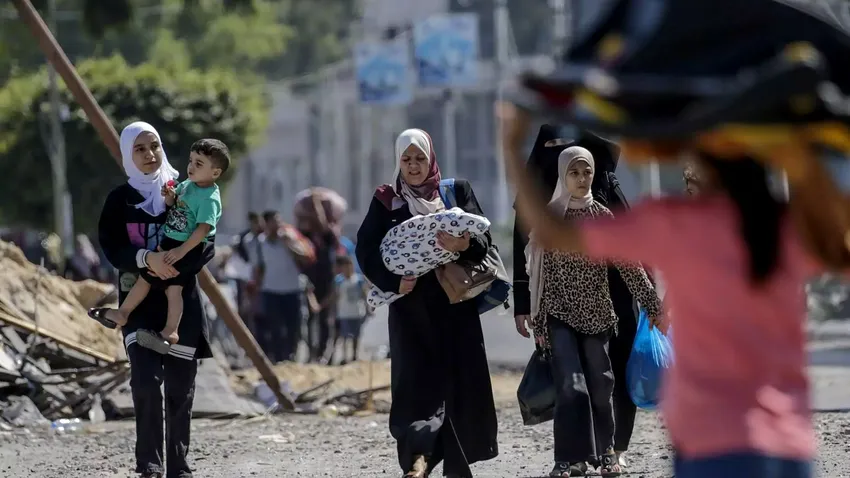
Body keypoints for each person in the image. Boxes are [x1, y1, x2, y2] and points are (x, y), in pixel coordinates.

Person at [502, 103, 815, 478]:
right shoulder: (788, 230)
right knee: (584, 384)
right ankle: (580, 454)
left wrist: (511, 148)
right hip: (786, 442)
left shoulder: (671, 222)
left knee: (602, 383)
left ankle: (608, 450)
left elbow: (553, 234)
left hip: (708, 440)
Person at [356, 128, 498, 478]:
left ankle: (455, 464)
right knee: (414, 386)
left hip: (455, 309)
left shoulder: (455, 192)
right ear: (398, 162)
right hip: (411, 310)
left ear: (431, 159)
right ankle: (417, 461)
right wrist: (394, 282)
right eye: (407, 159)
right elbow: (366, 250)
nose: (414, 165)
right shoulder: (387, 200)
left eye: (420, 158)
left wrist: (463, 245)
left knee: (457, 384)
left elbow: (484, 242)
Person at [523, 146, 662, 477]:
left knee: (601, 385)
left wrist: (653, 305)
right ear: (563, 175)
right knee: (570, 386)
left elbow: (629, 267)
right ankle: (567, 458)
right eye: (574, 172)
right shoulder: (550, 219)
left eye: (587, 172)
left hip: (597, 314)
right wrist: (539, 322)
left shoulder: (602, 217)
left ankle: (607, 452)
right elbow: (540, 277)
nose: (582, 178)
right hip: (558, 314)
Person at [95, 121, 214, 478]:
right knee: (145, 382)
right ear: (127, 154)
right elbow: (112, 246)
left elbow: (207, 241)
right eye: (140, 149)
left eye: (154, 146)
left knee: (180, 389)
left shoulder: (187, 191)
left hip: (181, 304)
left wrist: (171, 266)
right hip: (139, 304)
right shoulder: (119, 200)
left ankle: (178, 467)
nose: (149, 154)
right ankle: (149, 464)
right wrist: (146, 259)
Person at [91, 139, 227, 350]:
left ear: (215, 172)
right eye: (191, 161)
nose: (191, 167)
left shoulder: (209, 198)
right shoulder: (187, 185)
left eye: (199, 164)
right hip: (171, 243)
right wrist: (170, 197)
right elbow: (174, 205)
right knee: (146, 278)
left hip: (188, 248)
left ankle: (170, 331)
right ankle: (122, 313)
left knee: (174, 289)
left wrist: (181, 252)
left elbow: (203, 230)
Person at [252, 210, 307, 363]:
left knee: (293, 327)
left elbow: (304, 258)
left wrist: (289, 244)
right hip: (270, 291)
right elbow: (258, 269)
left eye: (278, 221)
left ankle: (291, 356)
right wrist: (255, 293)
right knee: (274, 328)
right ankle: (278, 359)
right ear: (266, 224)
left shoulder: (291, 238)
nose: (277, 225)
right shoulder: (260, 243)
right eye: (273, 222)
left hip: (292, 290)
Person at [331, 255, 368, 364]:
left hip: (356, 312)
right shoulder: (339, 281)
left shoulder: (359, 280)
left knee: (356, 336)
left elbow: (364, 294)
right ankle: (344, 357)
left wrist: (368, 308)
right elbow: (335, 296)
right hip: (343, 313)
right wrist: (332, 312)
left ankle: (354, 355)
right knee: (344, 336)